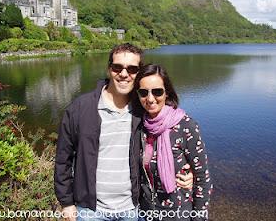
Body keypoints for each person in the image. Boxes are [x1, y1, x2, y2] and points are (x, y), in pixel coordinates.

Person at [54, 44, 194, 221]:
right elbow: (63, 159)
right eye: (117, 67)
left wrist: (186, 172)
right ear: (109, 69)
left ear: (139, 73)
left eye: (132, 69)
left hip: (132, 209)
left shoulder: (144, 109)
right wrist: (66, 203)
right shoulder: (81, 108)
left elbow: (168, 140)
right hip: (90, 211)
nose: (124, 74)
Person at [133, 64, 212, 221]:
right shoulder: (139, 125)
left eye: (157, 91)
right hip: (145, 212)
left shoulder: (185, 126)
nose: (150, 98)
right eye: (143, 92)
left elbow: (203, 177)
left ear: (167, 92)